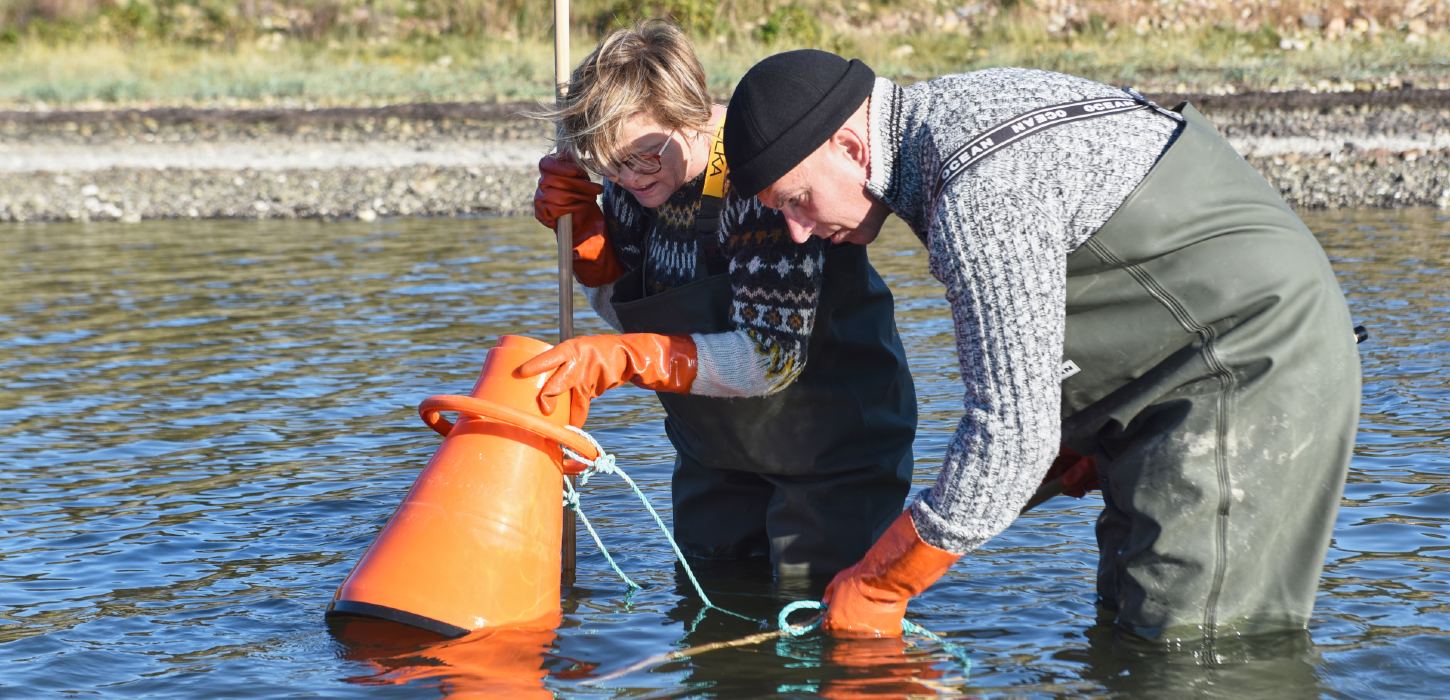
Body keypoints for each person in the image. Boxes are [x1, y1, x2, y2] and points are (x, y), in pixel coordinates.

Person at [717, 50, 1361, 643]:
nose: (796, 232)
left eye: (797, 201)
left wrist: (880, 585)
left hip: (1249, 363)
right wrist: (1081, 427)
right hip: (1171, 377)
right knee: (1128, 622)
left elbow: (1011, 439)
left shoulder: (977, 189)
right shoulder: (949, 121)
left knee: (1193, 651)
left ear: (851, 146)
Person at [520, 22, 917, 583]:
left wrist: (625, 360)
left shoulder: (762, 180)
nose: (628, 178)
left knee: (819, 606)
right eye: (608, 163)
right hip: (714, 452)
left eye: (644, 156)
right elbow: (639, 313)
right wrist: (588, 246)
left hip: (832, 449)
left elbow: (770, 359)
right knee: (705, 593)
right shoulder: (630, 183)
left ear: (690, 112)